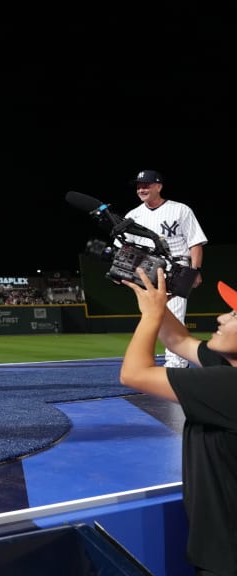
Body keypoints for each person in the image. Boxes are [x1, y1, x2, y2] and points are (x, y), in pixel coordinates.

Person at [119, 266, 237, 575]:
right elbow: (178, 339)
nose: (221, 318)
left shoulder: (228, 386)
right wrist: (159, 301)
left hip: (226, 559)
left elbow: (134, 373)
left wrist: (150, 317)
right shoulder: (229, 371)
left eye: (234, 315)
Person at [122, 169, 207, 368]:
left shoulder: (180, 210)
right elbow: (125, 247)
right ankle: (157, 362)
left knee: (174, 316)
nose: (141, 189)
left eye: (146, 185)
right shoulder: (133, 215)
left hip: (176, 266)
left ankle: (176, 364)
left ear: (159, 186)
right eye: (139, 186)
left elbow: (195, 242)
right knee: (152, 316)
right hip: (146, 268)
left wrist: (195, 270)